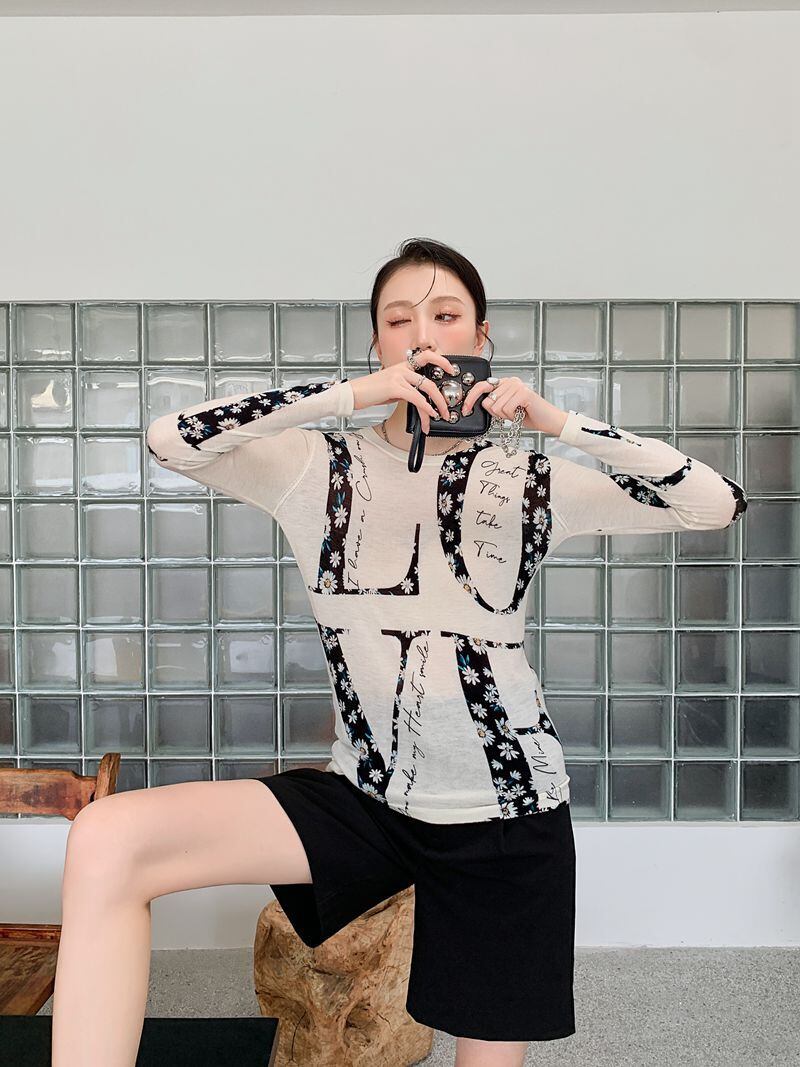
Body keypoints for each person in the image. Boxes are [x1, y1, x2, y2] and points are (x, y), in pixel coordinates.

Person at [51, 237, 747, 1067]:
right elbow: (172, 438)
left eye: (446, 316)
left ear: (480, 339)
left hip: (505, 814)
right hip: (366, 797)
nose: (423, 336)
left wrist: (556, 422)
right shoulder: (313, 467)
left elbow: (715, 502)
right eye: (398, 320)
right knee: (108, 838)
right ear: (378, 343)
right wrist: (351, 396)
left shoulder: (530, 480)